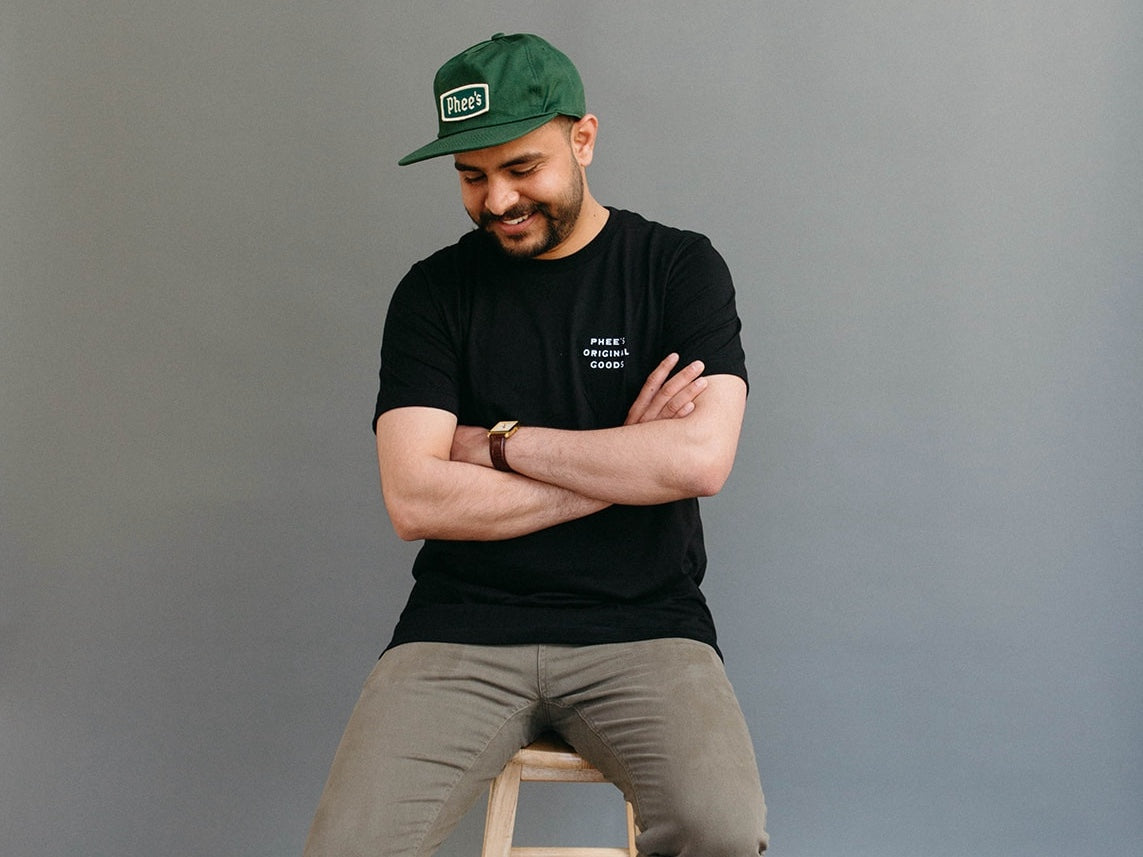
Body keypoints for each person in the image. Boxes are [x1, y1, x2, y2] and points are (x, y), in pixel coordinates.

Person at [303, 32, 768, 857]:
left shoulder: (676, 268)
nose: (496, 201)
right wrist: (626, 457)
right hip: (458, 629)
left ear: (582, 139)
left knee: (719, 832)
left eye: (522, 168)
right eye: (471, 176)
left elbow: (698, 460)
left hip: (645, 626)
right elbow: (414, 498)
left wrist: (498, 445)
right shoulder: (432, 292)